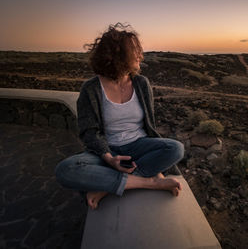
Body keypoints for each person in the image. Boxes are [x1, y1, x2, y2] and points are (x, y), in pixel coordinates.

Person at [55, 23, 184, 210]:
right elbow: (89, 133)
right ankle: (148, 182)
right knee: (65, 170)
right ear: (117, 55)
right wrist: (109, 159)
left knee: (176, 148)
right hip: (108, 150)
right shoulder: (91, 89)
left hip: (139, 145)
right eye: (135, 51)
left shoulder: (141, 83)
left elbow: (149, 125)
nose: (141, 55)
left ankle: (108, 187)